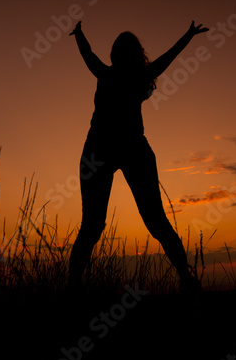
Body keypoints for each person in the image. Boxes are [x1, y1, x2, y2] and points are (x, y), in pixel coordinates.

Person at [68, 19, 209, 294]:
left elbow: (88, 54)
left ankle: (72, 285)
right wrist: (188, 35)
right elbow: (167, 58)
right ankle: (186, 278)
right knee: (151, 221)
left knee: (95, 225)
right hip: (119, 149)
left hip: (108, 148)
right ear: (135, 55)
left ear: (116, 54)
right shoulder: (131, 76)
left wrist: (80, 34)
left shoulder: (108, 74)